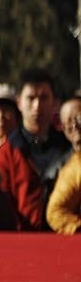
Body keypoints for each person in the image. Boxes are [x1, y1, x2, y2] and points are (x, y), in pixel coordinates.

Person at [45, 97, 81, 234]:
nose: (75, 125)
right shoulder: (70, 167)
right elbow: (55, 212)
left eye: (79, 118)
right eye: (68, 121)